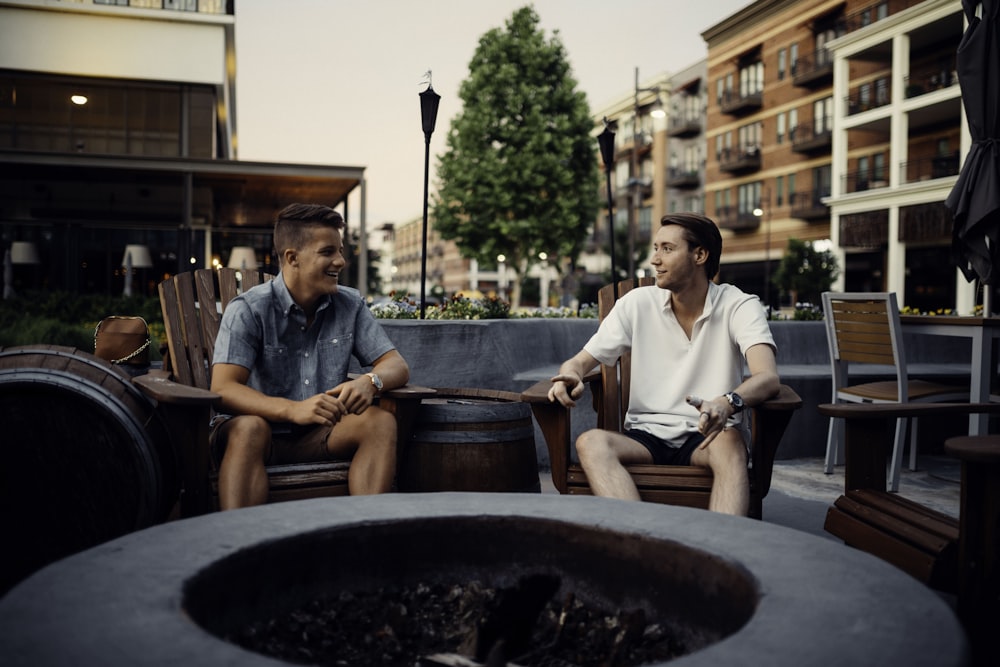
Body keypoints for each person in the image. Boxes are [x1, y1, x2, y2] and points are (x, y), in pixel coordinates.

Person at [547, 212, 780, 515]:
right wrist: (571, 375)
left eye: (667, 249)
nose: (655, 259)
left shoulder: (739, 305)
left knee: (731, 444)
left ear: (699, 255)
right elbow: (579, 362)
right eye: (655, 248)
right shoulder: (636, 304)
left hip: (708, 434)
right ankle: (644, 539)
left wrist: (727, 402)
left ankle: (724, 550)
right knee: (590, 442)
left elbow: (767, 377)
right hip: (645, 437)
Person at [210, 203, 410, 509]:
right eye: (328, 252)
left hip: (322, 434)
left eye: (340, 251)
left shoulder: (349, 304)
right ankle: (239, 542)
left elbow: (396, 364)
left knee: (380, 422)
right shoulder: (249, 310)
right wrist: (292, 410)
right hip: (257, 437)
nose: (340, 261)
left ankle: (366, 532)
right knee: (250, 428)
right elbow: (223, 388)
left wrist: (371, 382)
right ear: (293, 258)